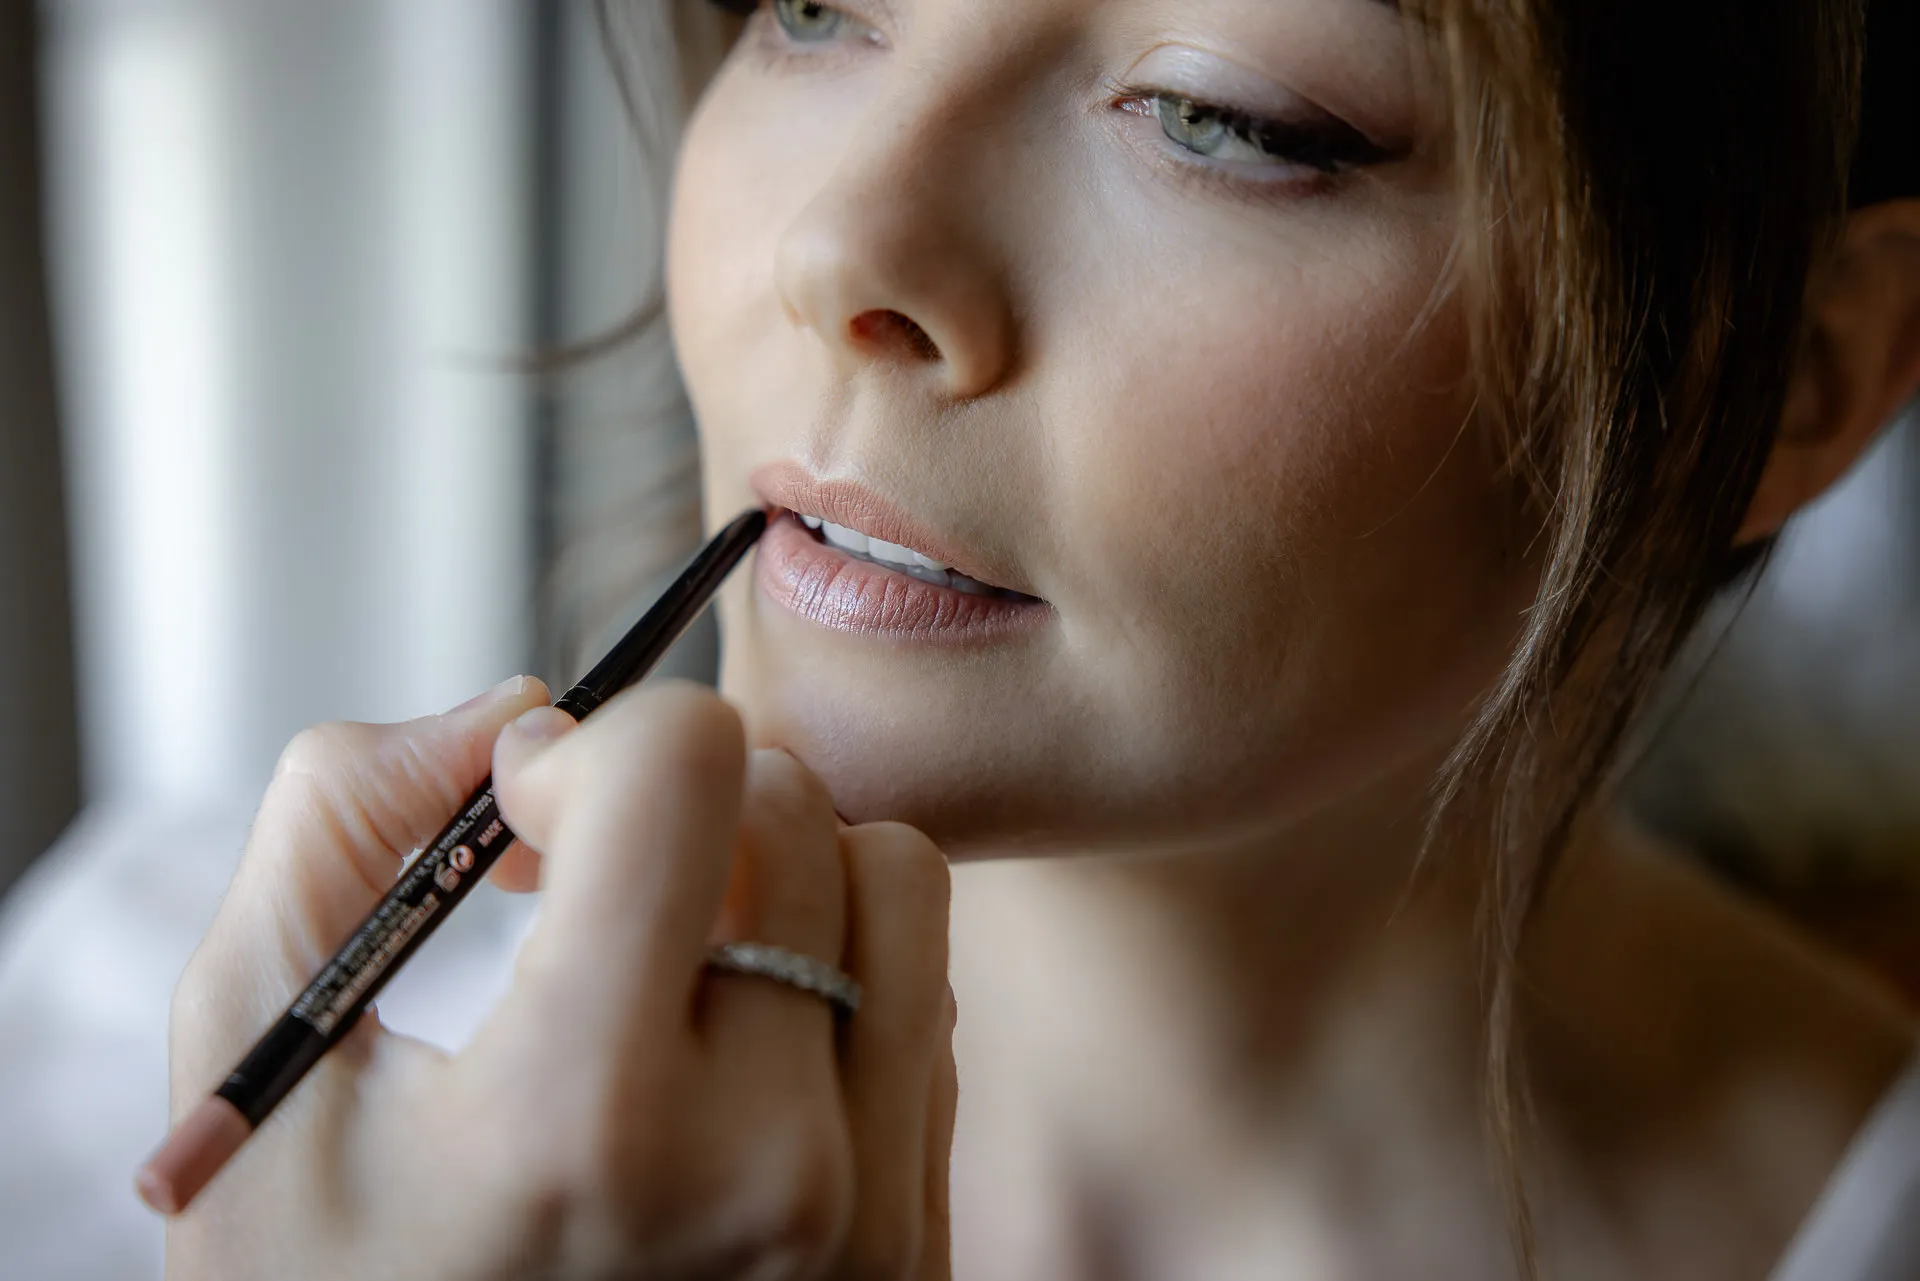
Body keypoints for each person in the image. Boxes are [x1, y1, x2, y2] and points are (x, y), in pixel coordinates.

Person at [158, 0, 1920, 1276]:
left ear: (1790, 380)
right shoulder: (130, 1048)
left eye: (1226, 116)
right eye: (818, 8)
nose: (847, 238)